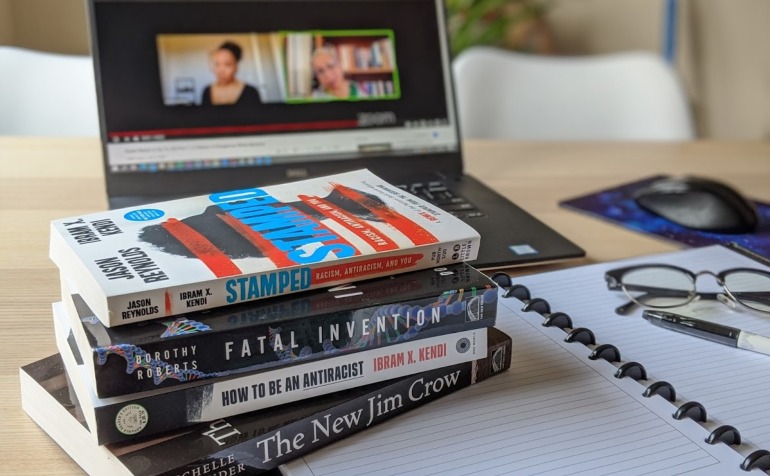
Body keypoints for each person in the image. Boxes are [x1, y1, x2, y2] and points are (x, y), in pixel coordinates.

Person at [201, 41, 260, 106]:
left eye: (227, 64)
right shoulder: (206, 91)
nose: (221, 70)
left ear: (236, 67)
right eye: (217, 64)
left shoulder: (251, 92)